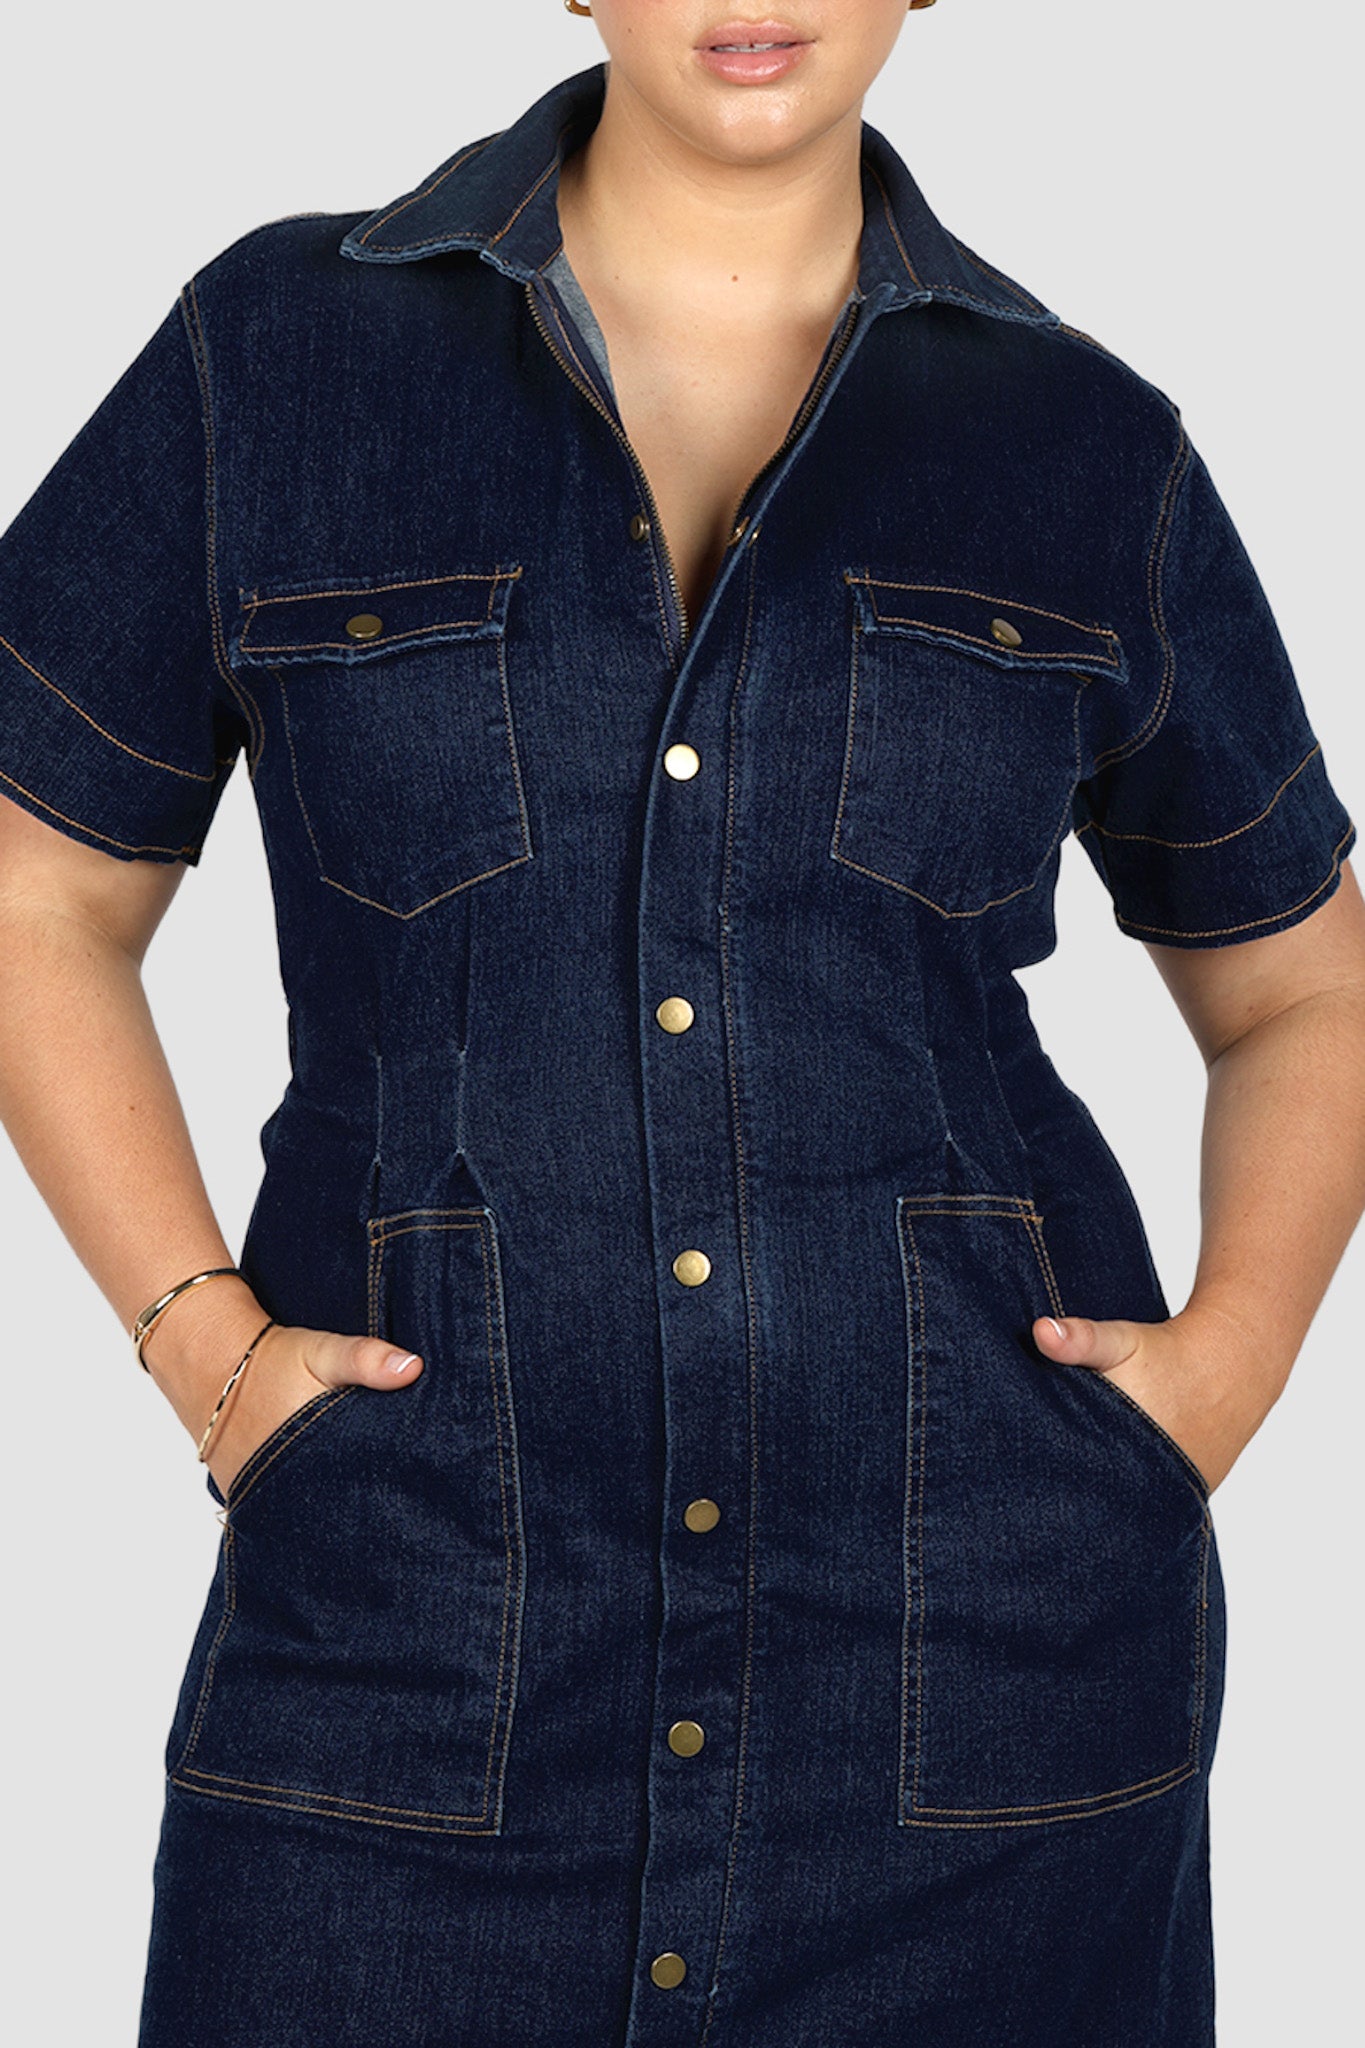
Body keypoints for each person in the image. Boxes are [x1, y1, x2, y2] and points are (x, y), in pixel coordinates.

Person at [1, 3, 1362, 2042]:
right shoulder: (278, 354)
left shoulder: (1086, 447)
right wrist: (205, 1345)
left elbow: (1300, 983)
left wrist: (1220, 1375)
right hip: (408, 1663)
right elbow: (35, 895)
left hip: (983, 1688)